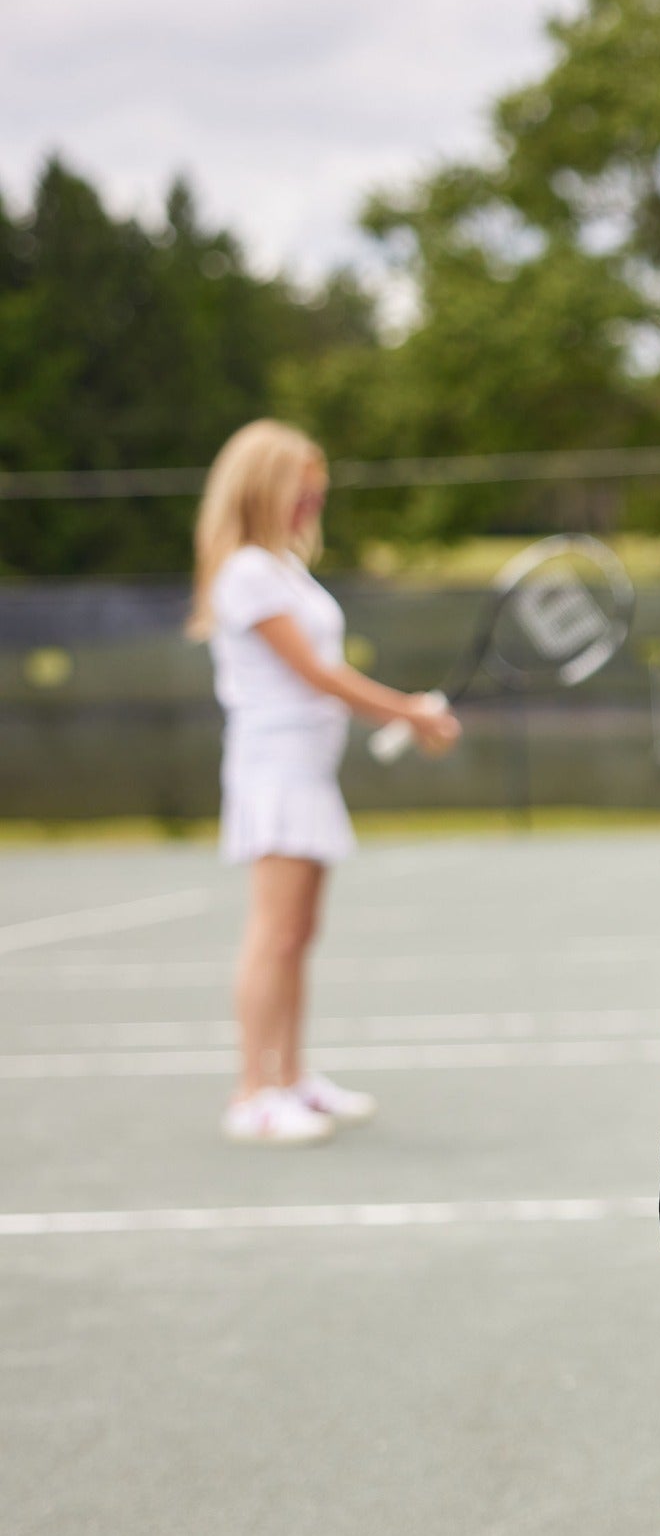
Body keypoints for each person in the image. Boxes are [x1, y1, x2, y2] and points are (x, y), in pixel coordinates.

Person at [188, 419, 460, 1145]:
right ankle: (253, 1094)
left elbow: (320, 677)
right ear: (263, 488)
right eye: (302, 491)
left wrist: (404, 713)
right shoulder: (246, 572)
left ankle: (292, 1079)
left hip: (309, 771)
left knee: (299, 933)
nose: (313, 505)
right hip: (273, 771)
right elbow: (315, 673)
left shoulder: (283, 568)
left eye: (318, 493)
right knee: (274, 933)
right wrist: (409, 712)